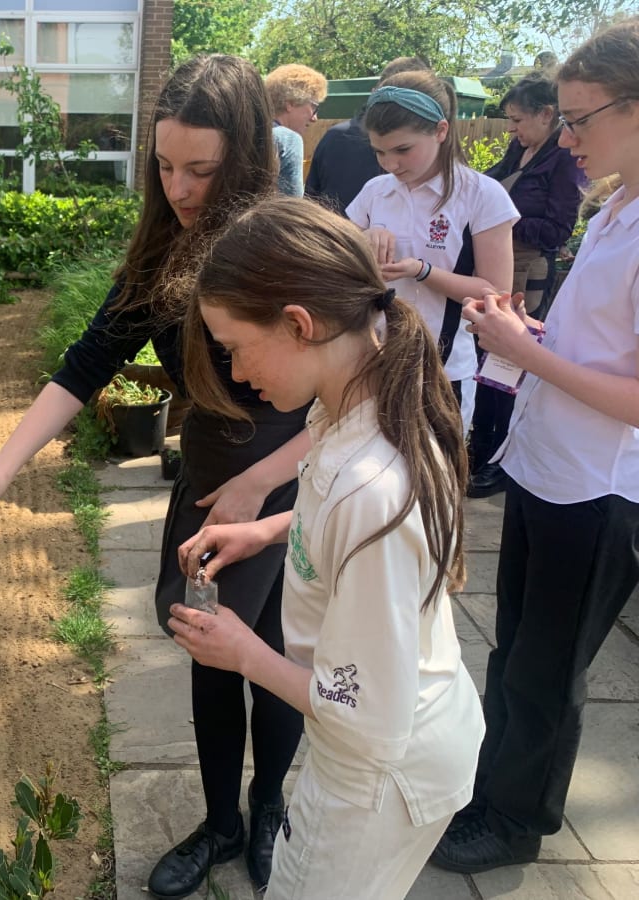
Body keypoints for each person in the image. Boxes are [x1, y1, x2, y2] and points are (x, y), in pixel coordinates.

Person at [0, 55, 310, 897]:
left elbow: (359, 399)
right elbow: (84, 366)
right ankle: (220, 822)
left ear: (250, 157)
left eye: (201, 169)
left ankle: (269, 812)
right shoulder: (161, 251)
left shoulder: (289, 247)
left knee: (286, 655)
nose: (179, 188)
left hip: (295, 481)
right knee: (213, 654)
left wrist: (265, 486)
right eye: (163, 165)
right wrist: (3, 464)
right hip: (210, 481)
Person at [168, 195, 484, 900]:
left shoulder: (372, 484)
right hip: (398, 739)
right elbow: (340, 526)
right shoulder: (351, 407)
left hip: (375, 772)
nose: (235, 373)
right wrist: (267, 528)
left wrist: (241, 652)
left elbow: (368, 718)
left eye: (234, 349)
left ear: (299, 324)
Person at [431, 16, 639, 874]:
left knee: (546, 671)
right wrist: (534, 336)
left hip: (600, 489)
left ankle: (517, 823)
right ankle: (490, 792)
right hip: (549, 468)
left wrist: (524, 353)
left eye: (582, 118)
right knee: (513, 650)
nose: (569, 137)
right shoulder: (620, 202)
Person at [346, 70, 518, 425]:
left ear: (441, 131)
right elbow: (339, 266)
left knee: (435, 476)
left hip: (441, 371)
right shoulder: (376, 191)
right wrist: (363, 240)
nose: (390, 164)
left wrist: (422, 271)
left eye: (403, 150)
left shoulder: (481, 195)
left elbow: (495, 294)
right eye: (379, 152)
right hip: (371, 361)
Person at [466, 72, 585, 498]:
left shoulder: (565, 159)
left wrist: (503, 219)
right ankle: (480, 450)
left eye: (517, 119)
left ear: (546, 114)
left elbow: (557, 229)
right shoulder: (520, 148)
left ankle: (498, 458)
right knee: (485, 365)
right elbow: (485, 184)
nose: (511, 128)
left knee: (508, 368)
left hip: (527, 277)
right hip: (496, 268)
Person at [305, 56, 431, 213]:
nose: (391, 164)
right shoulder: (338, 138)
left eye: (402, 149)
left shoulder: (334, 137)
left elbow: (310, 207)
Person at [265, 64, 328, 197]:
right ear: (291, 103)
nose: (314, 118)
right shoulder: (288, 139)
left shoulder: (247, 133)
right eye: (313, 107)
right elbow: (291, 204)